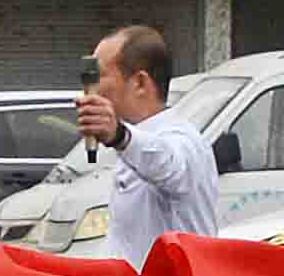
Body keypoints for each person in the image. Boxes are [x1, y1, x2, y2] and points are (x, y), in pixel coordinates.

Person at [79, 21, 226, 261]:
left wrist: (119, 136)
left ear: (139, 82)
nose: (90, 88)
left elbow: (168, 166)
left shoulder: (183, 140)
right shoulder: (135, 143)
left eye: (100, 75)